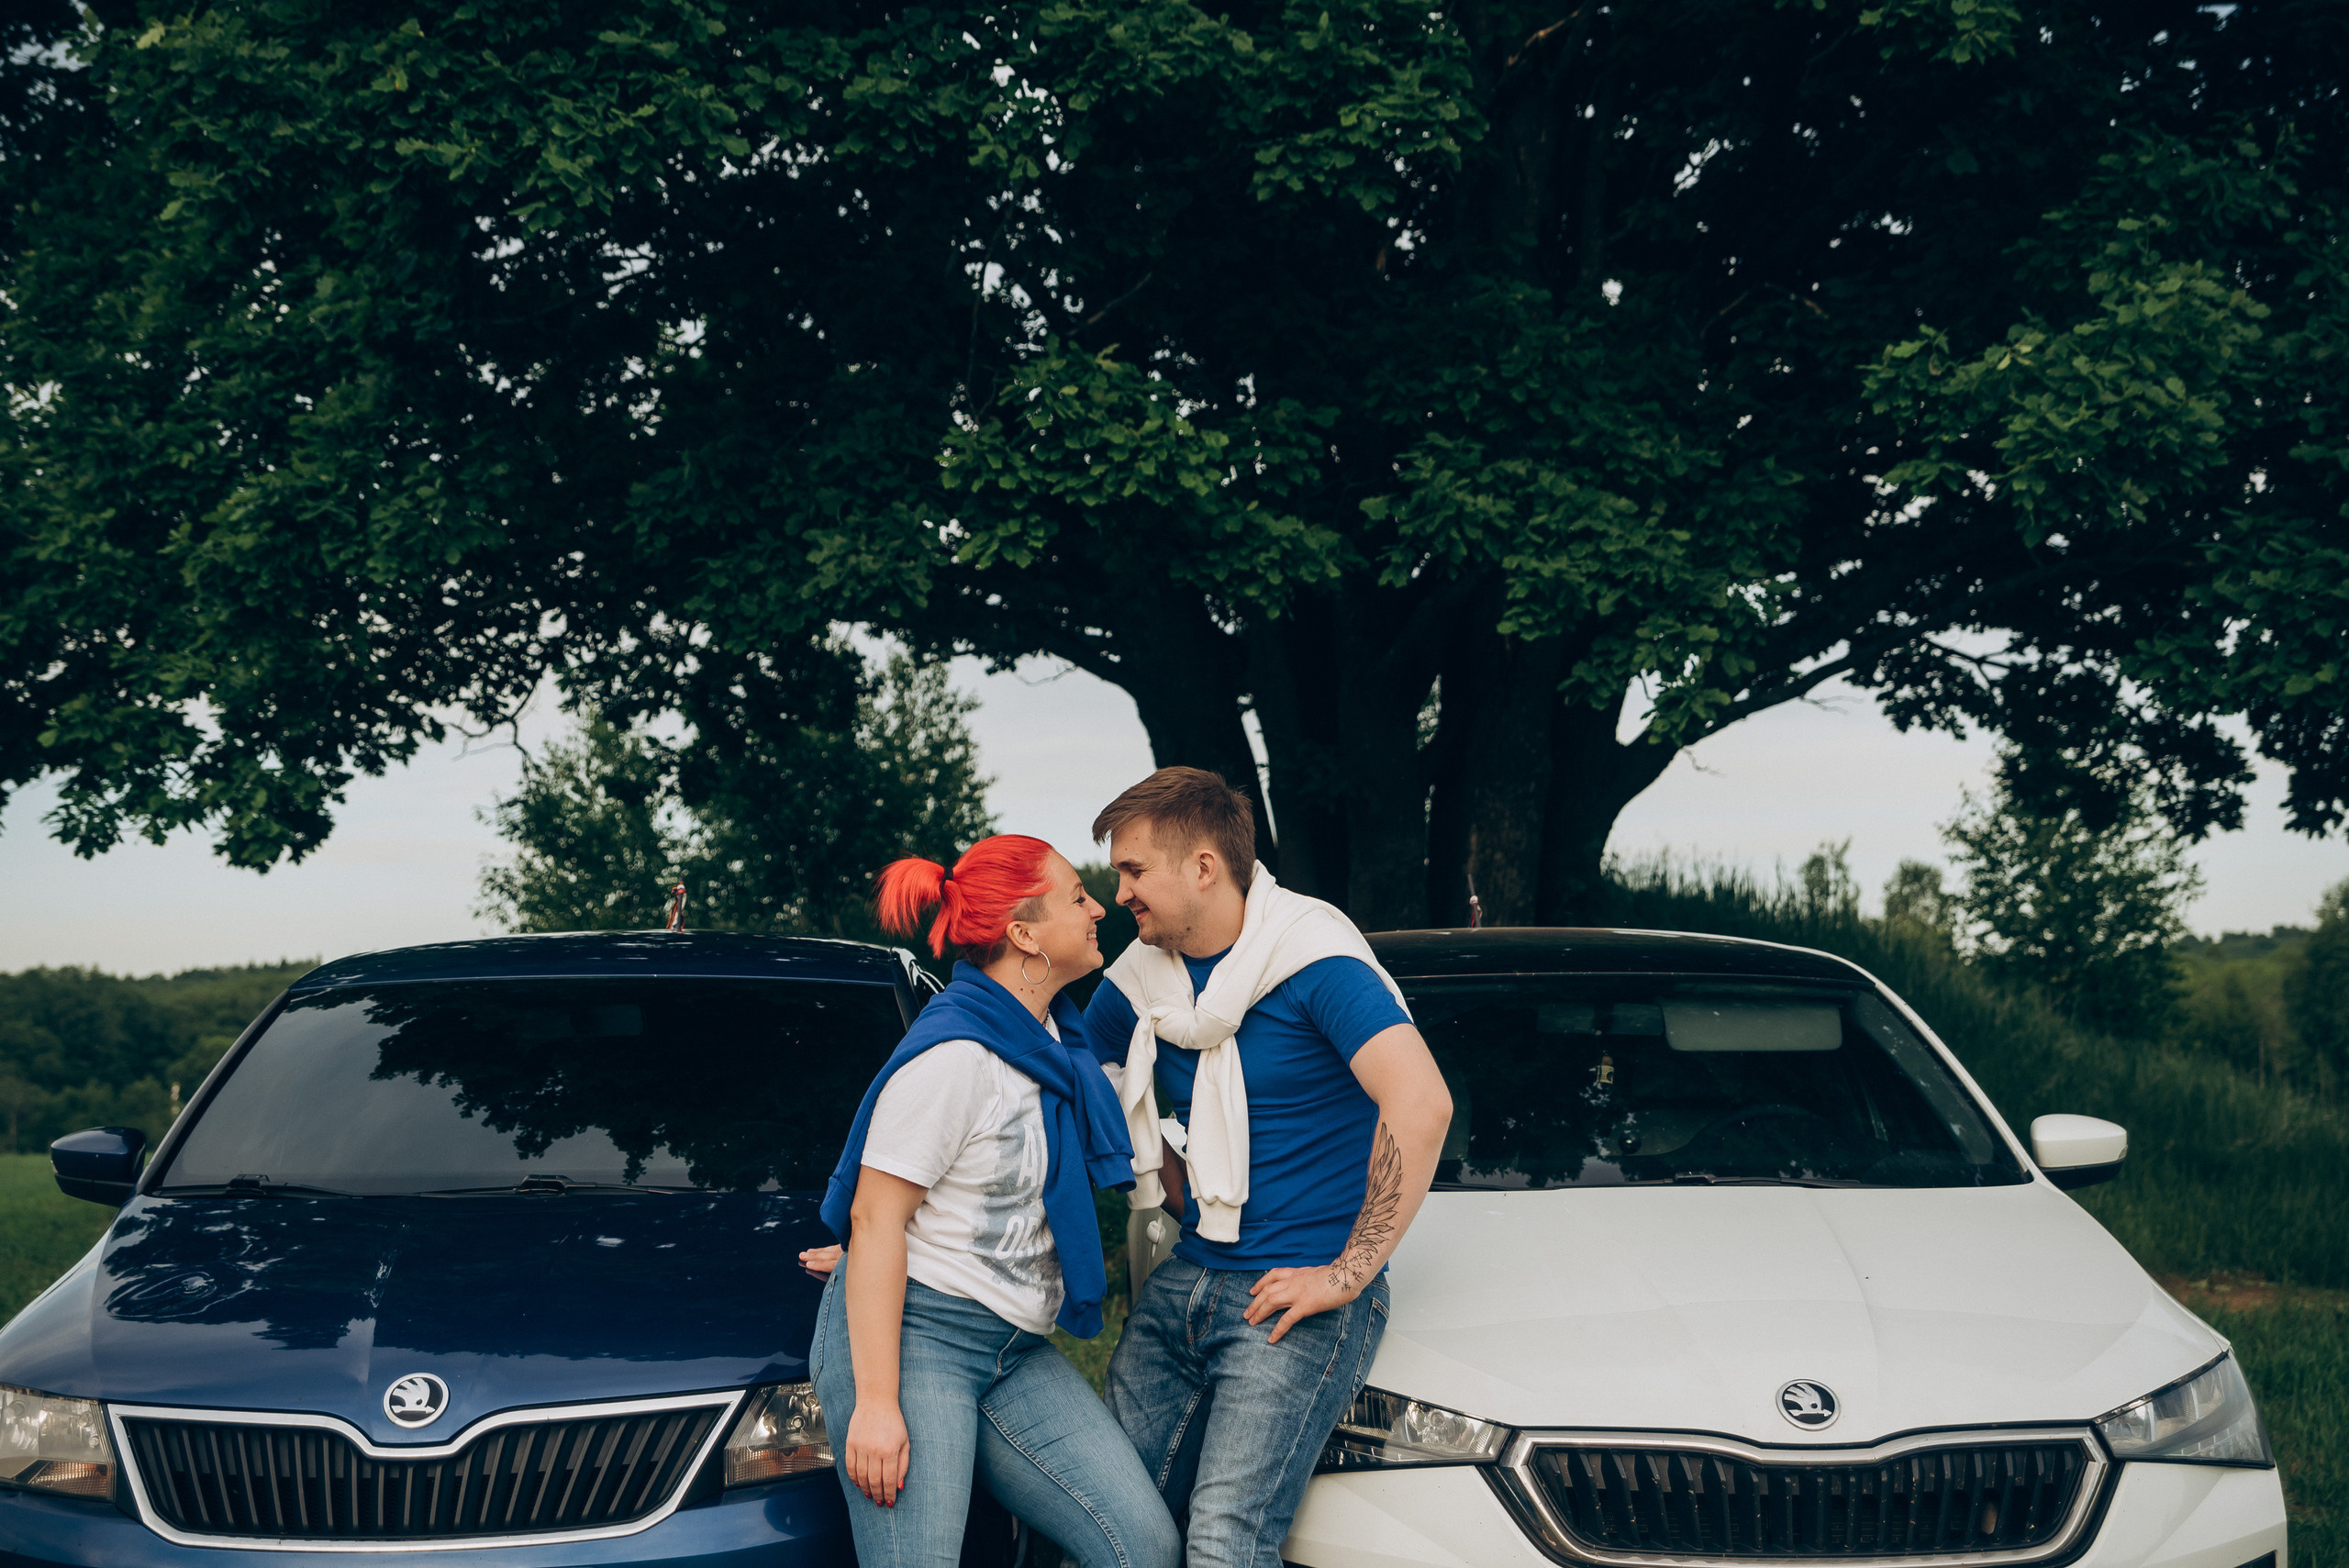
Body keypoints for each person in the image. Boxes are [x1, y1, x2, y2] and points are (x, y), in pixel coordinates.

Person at [1083, 768, 1453, 1568]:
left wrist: (1346, 1274)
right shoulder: (1143, 976)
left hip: (1294, 1297)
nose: (1120, 895)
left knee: (1225, 1542)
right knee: (1096, 1526)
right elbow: (1086, 1073)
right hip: (1187, 1278)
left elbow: (1421, 1105)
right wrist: (1176, 1183)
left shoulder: (1313, 956)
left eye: (1135, 871)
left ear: (1205, 867)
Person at [800, 835, 1180, 1568]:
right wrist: (878, 1403)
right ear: (1023, 933)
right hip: (917, 1341)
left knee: (1141, 1544)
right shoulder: (957, 1057)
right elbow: (877, 1217)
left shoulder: (1046, 1039)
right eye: (1078, 896)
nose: (1098, 906)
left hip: (1011, 1348)